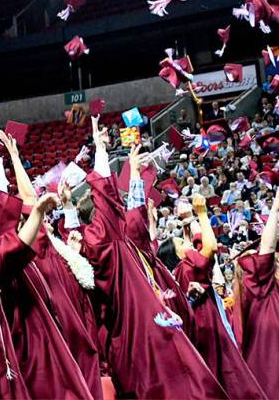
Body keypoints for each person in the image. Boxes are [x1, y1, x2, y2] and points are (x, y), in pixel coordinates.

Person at [78, 115, 225, 399]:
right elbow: (126, 220)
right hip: (140, 344)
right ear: (102, 221)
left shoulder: (126, 249)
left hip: (148, 338)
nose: (120, 211)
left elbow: (134, 222)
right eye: (113, 210)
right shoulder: (101, 246)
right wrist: (102, 152)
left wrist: (134, 175)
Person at [0, 124, 93, 400]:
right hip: (35, 343)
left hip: (53, 334)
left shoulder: (27, 250)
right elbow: (19, 205)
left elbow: (20, 204)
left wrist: (7, 156)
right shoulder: (12, 254)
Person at [1, 131, 103, 400]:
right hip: (65, 332)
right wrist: (13, 158)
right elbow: (30, 202)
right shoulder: (33, 248)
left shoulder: (50, 248)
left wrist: (72, 252)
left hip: (75, 327)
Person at [159, 194, 266, 399]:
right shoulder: (185, 269)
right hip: (208, 330)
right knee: (230, 380)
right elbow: (210, 247)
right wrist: (201, 213)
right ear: (177, 255)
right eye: (182, 242)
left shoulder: (179, 272)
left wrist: (190, 220)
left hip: (203, 328)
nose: (187, 241)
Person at [231, 192, 279, 396]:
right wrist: (275, 207)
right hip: (270, 373)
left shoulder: (264, 290)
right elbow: (268, 248)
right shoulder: (258, 290)